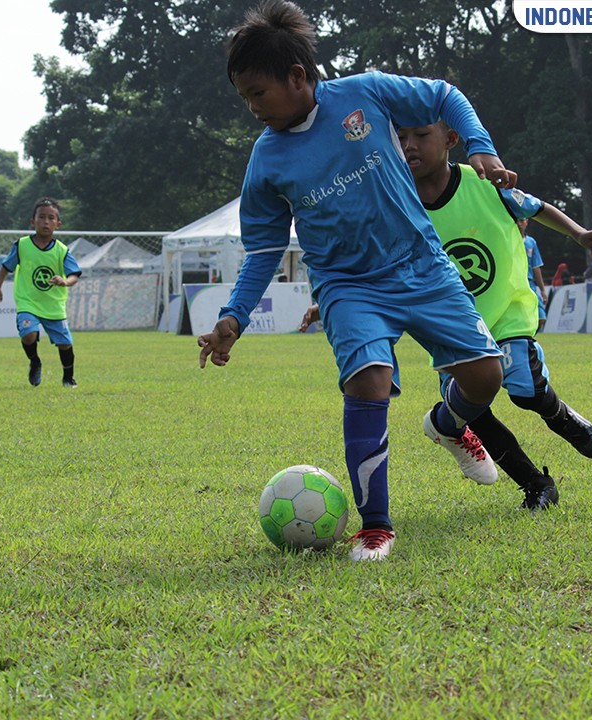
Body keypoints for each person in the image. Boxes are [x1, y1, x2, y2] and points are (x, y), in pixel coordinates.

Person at [199, 1, 516, 562]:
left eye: (257, 93)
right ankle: (376, 527)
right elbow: (265, 250)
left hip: (423, 266)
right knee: (369, 380)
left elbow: (445, 97)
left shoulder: (364, 94)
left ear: (297, 77)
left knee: (487, 377)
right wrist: (233, 318)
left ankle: (447, 423)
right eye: (244, 96)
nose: (251, 108)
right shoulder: (266, 160)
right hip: (349, 287)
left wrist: (483, 147)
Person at [396, 121, 592, 510]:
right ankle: (537, 486)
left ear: (451, 140)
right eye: (400, 139)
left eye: (419, 136)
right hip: (453, 330)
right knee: (475, 411)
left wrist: (579, 234)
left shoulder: (486, 184)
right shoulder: (398, 202)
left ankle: (560, 415)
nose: (409, 146)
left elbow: (538, 208)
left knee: (526, 390)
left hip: (507, 315)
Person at [0, 198, 81, 388]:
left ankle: (68, 377)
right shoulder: (22, 245)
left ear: (58, 224)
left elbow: (75, 274)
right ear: (33, 221)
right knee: (29, 334)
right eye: (41, 217)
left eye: (51, 218)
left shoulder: (62, 250)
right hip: (28, 302)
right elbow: (6, 266)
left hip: (53, 304)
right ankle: (34, 361)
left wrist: (65, 281)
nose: (46, 222)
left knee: (64, 344)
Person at [517, 218, 548, 330]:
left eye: (521, 221)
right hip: (514, 283)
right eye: (517, 221)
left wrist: (543, 290)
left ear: (527, 222)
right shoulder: (510, 240)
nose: (519, 224)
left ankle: (531, 339)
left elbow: (536, 267)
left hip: (529, 283)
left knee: (541, 318)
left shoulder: (531, 242)